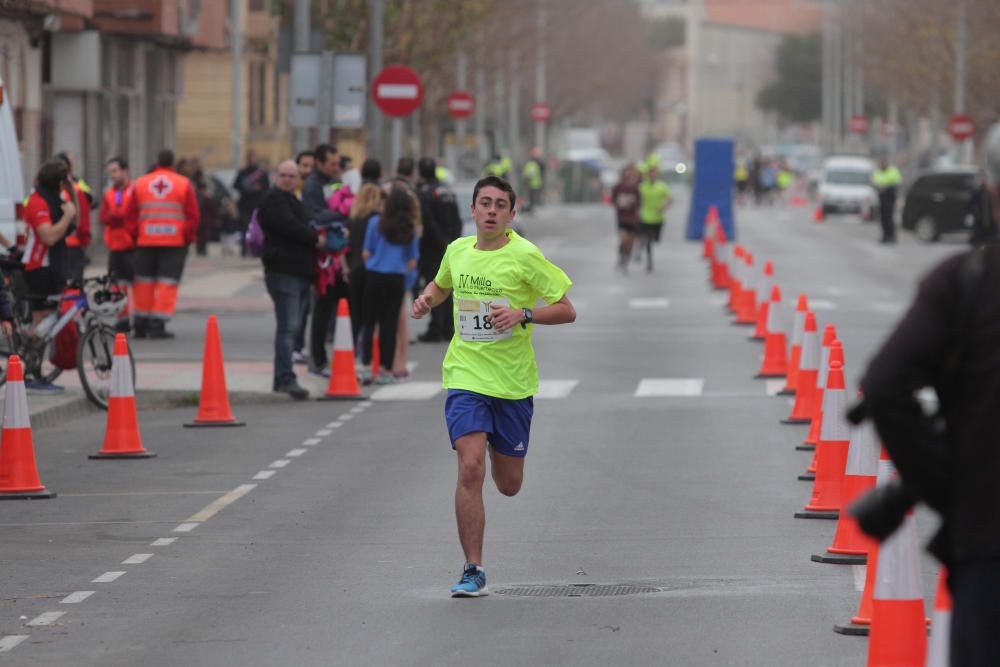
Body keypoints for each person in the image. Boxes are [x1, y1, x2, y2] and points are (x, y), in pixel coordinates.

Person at [856, 123, 1000, 666]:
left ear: (989, 191)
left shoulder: (966, 281)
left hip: (988, 539)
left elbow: (886, 385)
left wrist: (945, 483)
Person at [411, 175, 576, 597]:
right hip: (466, 375)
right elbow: (442, 283)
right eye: (483, 203)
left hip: (512, 382)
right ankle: (473, 568)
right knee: (469, 467)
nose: (490, 211)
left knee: (508, 484)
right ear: (472, 209)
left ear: (511, 214)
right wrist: (427, 298)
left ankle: (494, 448)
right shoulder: (457, 251)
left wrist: (524, 313)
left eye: (499, 205)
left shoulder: (525, 255)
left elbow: (566, 309)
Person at [257, 160, 325, 400]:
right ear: (277, 176)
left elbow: (305, 222)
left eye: (292, 176)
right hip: (283, 272)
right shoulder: (273, 200)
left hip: (299, 272)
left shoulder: (293, 200)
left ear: (298, 179)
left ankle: (283, 377)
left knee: (292, 328)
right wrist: (314, 238)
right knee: (287, 328)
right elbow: (290, 227)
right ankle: (285, 378)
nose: (287, 179)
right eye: (283, 175)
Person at [125, 149, 200, 339]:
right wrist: (186, 236)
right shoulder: (183, 184)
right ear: (173, 163)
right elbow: (193, 216)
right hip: (174, 242)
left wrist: (136, 236)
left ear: (156, 161)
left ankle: (140, 322)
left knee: (143, 281)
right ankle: (157, 323)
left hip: (145, 241)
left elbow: (130, 214)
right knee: (167, 283)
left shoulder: (141, 183)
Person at [21, 160, 77, 392]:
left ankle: (33, 369)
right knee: (42, 321)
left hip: (51, 267)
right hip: (39, 267)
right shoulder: (38, 202)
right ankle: (29, 372)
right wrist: (67, 216)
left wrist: (71, 201)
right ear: (59, 182)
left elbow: (75, 222)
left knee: (48, 320)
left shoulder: (55, 200)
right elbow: (49, 236)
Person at [359, 185, 419, 384]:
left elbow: (366, 252)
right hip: (396, 277)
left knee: (369, 322)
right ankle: (386, 370)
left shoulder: (375, 222)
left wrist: (374, 265)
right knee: (389, 324)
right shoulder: (409, 227)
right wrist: (400, 269)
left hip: (375, 275)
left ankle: (367, 367)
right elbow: (412, 261)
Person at [416, 157, 463, 343]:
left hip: (433, 247)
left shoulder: (425, 193)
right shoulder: (447, 190)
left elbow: (428, 222)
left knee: (435, 285)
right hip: (450, 242)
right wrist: (454, 241)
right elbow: (457, 218)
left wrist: (440, 242)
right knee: (448, 286)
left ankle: (436, 328)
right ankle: (448, 326)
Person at [99, 156, 136, 333]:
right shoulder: (109, 194)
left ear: (124, 171)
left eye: (115, 171)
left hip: (131, 245)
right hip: (115, 245)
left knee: (135, 284)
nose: (112, 175)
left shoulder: (134, 191)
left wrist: (116, 216)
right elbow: (104, 218)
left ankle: (139, 318)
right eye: (110, 172)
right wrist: (117, 216)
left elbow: (130, 216)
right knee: (116, 285)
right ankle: (122, 318)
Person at [345, 183, 383, 349]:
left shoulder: (353, 220)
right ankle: (369, 352)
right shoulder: (377, 220)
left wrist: (345, 267)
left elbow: (345, 246)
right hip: (372, 269)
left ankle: (352, 348)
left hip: (354, 268)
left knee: (355, 313)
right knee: (372, 316)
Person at [55, 151, 92, 282]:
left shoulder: (47, 190)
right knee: (74, 285)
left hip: (56, 245)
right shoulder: (76, 190)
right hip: (73, 245)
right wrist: (85, 241)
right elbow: (83, 221)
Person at [233, 150, 270, 257]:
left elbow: (266, 188)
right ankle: (244, 249)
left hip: (257, 205)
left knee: (258, 228)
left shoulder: (262, 173)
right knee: (245, 228)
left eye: (253, 158)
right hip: (244, 205)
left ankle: (257, 249)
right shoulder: (242, 173)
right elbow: (235, 186)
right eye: (249, 158)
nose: (251, 160)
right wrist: (246, 189)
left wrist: (259, 189)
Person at [637, 164, 671, 273]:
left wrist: (663, 207)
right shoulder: (642, 187)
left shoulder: (662, 187)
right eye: (650, 174)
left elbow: (669, 199)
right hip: (645, 216)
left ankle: (646, 245)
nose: (652, 176)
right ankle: (649, 261)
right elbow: (637, 198)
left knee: (655, 240)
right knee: (648, 240)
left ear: (657, 175)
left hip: (658, 218)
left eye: (654, 174)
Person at [611, 164, 641, 273]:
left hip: (633, 219)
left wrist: (632, 204)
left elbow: (640, 202)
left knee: (630, 242)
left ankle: (626, 261)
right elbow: (613, 200)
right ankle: (621, 254)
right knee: (624, 240)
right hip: (622, 218)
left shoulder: (635, 188)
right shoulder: (618, 187)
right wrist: (620, 203)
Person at [873, 157, 902, 244]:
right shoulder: (878, 172)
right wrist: (879, 188)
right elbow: (874, 183)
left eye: (883, 164)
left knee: (890, 218)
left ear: (886, 164)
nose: (881, 165)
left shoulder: (893, 171)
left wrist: (887, 187)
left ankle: (892, 236)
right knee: (883, 218)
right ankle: (885, 236)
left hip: (890, 198)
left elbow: (897, 182)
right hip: (881, 199)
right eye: (880, 164)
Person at [521, 147, 544, 212]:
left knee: (531, 196)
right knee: (531, 196)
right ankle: (529, 207)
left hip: (533, 182)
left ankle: (530, 207)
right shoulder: (533, 164)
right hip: (532, 182)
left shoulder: (534, 164)